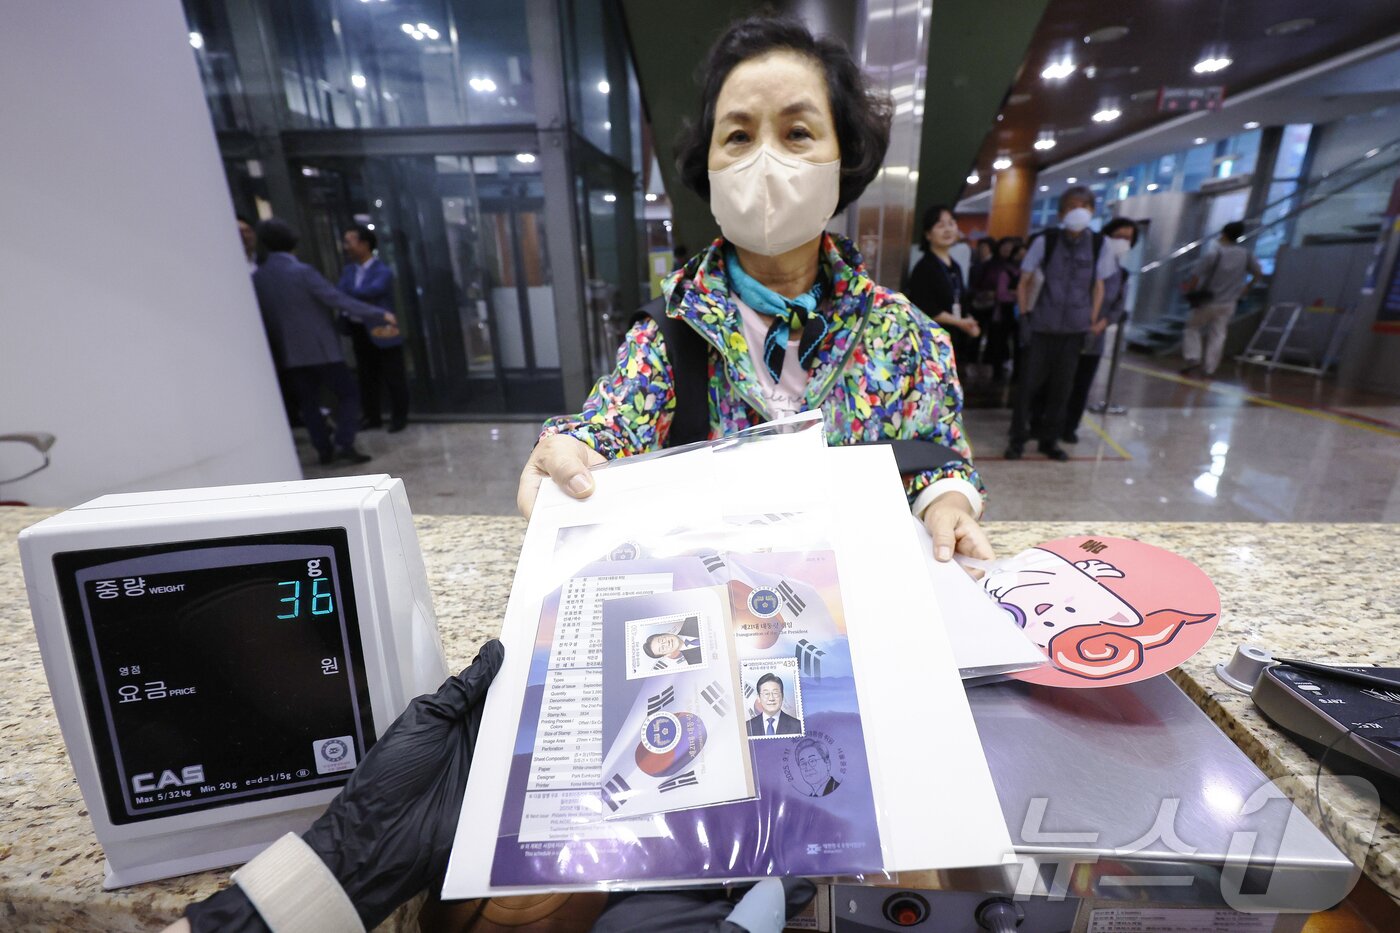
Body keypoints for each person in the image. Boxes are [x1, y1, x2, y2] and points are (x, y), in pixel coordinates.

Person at [518, 14, 992, 575]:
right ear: (709, 163)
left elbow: (937, 453)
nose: (765, 161)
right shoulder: (672, 330)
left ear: (843, 157)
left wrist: (947, 505)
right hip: (726, 605)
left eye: (798, 132)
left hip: (864, 599)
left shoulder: (906, 333)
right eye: (738, 136)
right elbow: (612, 427)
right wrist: (568, 455)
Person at [253, 219, 393, 466]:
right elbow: (337, 299)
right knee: (349, 394)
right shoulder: (301, 272)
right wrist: (379, 314)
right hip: (321, 348)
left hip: (288, 352)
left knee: (309, 404)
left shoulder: (259, 277)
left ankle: (324, 449)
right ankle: (343, 442)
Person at [1005, 187, 1118, 462]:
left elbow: (1099, 286)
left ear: (1092, 211)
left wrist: (1091, 322)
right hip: (1042, 326)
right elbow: (1024, 281)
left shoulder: (1099, 244)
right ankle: (1018, 438)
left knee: (1062, 388)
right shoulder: (1046, 241)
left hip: (1074, 329)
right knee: (1028, 386)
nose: (1077, 211)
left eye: (1083, 206)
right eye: (1071, 206)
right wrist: (1025, 317)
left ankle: (1050, 440)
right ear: (1061, 213)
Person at [1059, 218, 1136, 443]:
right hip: (1069, 331)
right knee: (1060, 381)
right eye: (1118, 236)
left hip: (1095, 337)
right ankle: (1048, 423)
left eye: (1128, 238)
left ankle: (1070, 427)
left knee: (1082, 384)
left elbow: (1118, 307)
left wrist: (1100, 324)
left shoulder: (1122, 274)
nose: (1123, 242)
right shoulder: (1087, 265)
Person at [338, 225, 409, 433]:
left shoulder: (382, 270)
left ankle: (399, 417)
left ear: (364, 244)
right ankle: (372, 416)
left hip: (383, 330)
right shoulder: (349, 270)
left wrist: (348, 296)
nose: (345, 247)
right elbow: (339, 291)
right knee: (366, 377)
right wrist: (349, 295)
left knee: (393, 376)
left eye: (349, 242)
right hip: (358, 329)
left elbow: (371, 291)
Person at [902, 205, 982, 384]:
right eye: (940, 225)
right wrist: (960, 323)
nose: (948, 229)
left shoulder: (955, 267)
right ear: (928, 234)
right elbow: (924, 308)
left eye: (951, 223)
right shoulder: (924, 268)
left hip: (952, 343)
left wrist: (968, 321)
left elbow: (960, 302)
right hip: (930, 346)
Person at [1180, 220, 1263, 376]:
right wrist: (1247, 287)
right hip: (1229, 302)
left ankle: (1193, 358)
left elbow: (1196, 276)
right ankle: (1210, 368)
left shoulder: (1214, 253)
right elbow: (1258, 272)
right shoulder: (1246, 254)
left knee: (1192, 327)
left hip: (1208, 300)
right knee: (1218, 334)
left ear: (1224, 234)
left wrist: (1191, 291)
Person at [984, 237, 1021, 383]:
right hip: (1003, 311)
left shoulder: (1021, 271)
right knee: (1000, 342)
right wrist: (1017, 294)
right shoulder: (1002, 270)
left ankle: (1013, 372)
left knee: (1016, 343)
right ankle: (997, 372)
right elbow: (1001, 294)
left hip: (1017, 312)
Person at [746, 672, 803, 737]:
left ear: (782, 696)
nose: (771, 698)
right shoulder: (748, 726)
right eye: (766, 694)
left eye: (775, 693)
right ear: (758, 698)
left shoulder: (797, 726)